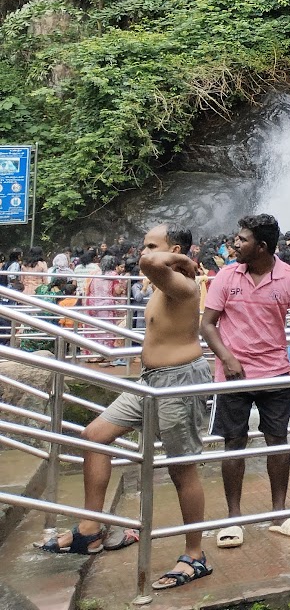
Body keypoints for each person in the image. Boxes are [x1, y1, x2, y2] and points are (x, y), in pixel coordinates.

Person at [41, 226, 212, 588]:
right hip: (149, 381)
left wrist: (180, 260)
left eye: (152, 245)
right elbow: (151, 265)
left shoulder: (183, 285)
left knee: (182, 468)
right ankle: (90, 528)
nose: (142, 251)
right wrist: (175, 258)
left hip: (179, 381)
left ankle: (195, 556)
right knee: (94, 436)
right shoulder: (163, 282)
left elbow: (151, 263)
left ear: (174, 249)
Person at [200, 213, 290, 547]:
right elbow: (208, 324)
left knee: (278, 440)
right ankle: (234, 519)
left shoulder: (289, 279)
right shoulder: (225, 276)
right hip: (232, 376)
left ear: (261, 247)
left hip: (276, 372)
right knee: (233, 442)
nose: (235, 243)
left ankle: (279, 514)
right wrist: (228, 358)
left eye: (242, 239)